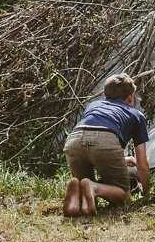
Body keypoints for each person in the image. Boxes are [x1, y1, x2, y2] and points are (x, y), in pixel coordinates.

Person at [62, 73, 150, 216]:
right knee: (123, 195)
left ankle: (77, 199)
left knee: (85, 187)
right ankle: (94, 187)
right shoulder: (136, 115)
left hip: (74, 140)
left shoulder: (93, 105)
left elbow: (92, 138)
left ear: (106, 95)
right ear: (130, 98)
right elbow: (142, 163)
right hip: (105, 141)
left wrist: (122, 159)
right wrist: (146, 194)